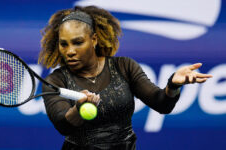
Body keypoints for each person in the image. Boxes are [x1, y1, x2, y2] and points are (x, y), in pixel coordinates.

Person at [38, 6, 212, 150]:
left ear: (94, 39)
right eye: (64, 44)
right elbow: (63, 125)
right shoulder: (56, 81)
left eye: (77, 42)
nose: (70, 51)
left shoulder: (124, 66)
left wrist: (172, 85)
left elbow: (162, 104)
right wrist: (78, 109)